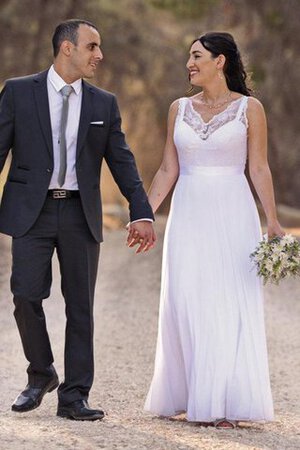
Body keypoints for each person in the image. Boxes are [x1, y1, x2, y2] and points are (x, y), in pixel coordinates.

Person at [0, 19, 155, 421]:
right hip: (31, 212)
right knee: (25, 295)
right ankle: (41, 373)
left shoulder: (104, 103)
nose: (99, 55)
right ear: (66, 48)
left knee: (80, 307)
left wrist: (141, 211)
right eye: (92, 47)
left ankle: (74, 396)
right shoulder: (18, 92)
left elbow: (122, 161)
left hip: (79, 214)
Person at [144, 32, 284, 428]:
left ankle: (222, 401)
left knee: (226, 300)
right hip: (188, 210)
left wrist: (272, 220)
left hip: (233, 210)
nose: (189, 63)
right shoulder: (178, 108)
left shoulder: (249, 109)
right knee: (186, 297)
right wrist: (144, 213)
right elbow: (168, 168)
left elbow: (258, 167)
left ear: (220, 61)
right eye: (189, 57)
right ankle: (188, 394)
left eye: (197, 56)